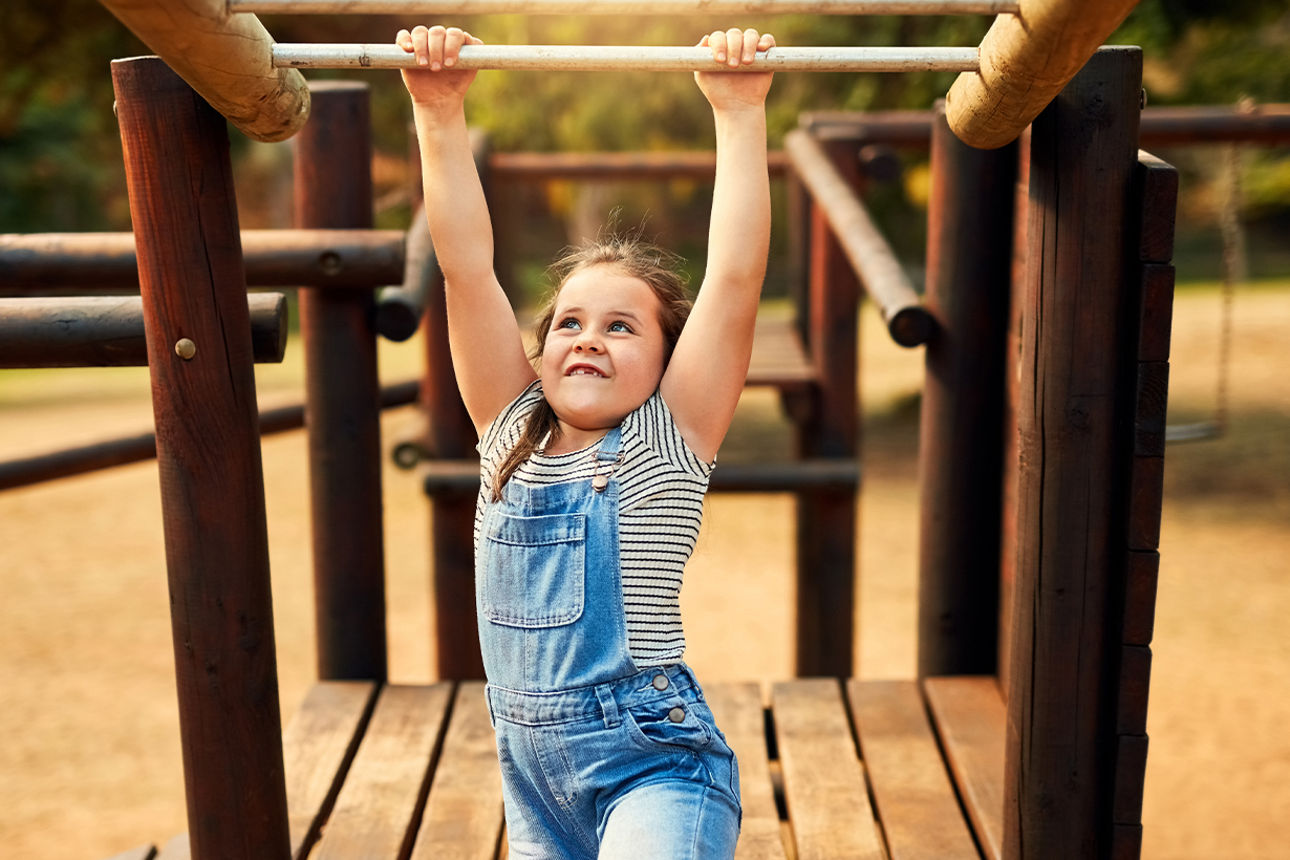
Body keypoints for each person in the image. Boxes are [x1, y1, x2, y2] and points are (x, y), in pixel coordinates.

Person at [397, 23, 775, 859]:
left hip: (655, 770)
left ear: (670, 362)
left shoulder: (667, 440)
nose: (588, 338)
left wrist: (739, 112)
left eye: (621, 326)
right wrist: (438, 111)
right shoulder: (508, 433)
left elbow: (736, 278)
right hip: (533, 787)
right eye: (569, 321)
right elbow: (466, 266)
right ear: (541, 349)